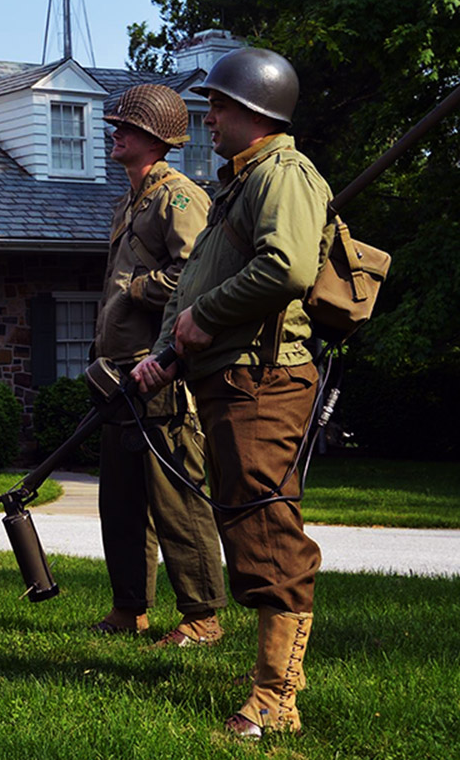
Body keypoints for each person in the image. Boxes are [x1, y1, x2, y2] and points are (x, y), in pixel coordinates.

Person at [132, 48, 333, 738]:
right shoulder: (239, 184)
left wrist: (203, 318)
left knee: (265, 530)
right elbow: (198, 287)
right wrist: (167, 354)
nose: (207, 118)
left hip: (263, 378)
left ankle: (276, 699)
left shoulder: (284, 175)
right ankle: (281, 685)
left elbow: (288, 267)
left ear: (253, 111)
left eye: (216, 105)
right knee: (249, 525)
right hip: (231, 376)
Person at [91, 85, 227, 646]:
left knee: (176, 496)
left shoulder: (180, 198)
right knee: (120, 499)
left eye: (124, 125)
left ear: (155, 138)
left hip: (160, 373)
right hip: (119, 373)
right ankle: (130, 609)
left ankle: (202, 617)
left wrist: (143, 288)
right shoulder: (132, 199)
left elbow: (201, 279)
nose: (112, 132)